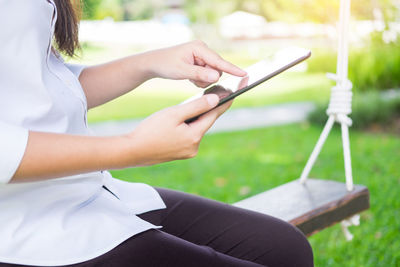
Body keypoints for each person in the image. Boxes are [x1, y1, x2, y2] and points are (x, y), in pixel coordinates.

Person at [0, 1, 313, 266]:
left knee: (286, 249)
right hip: (27, 230)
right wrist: (132, 148)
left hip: (82, 192)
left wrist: (149, 63)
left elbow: (43, 85)